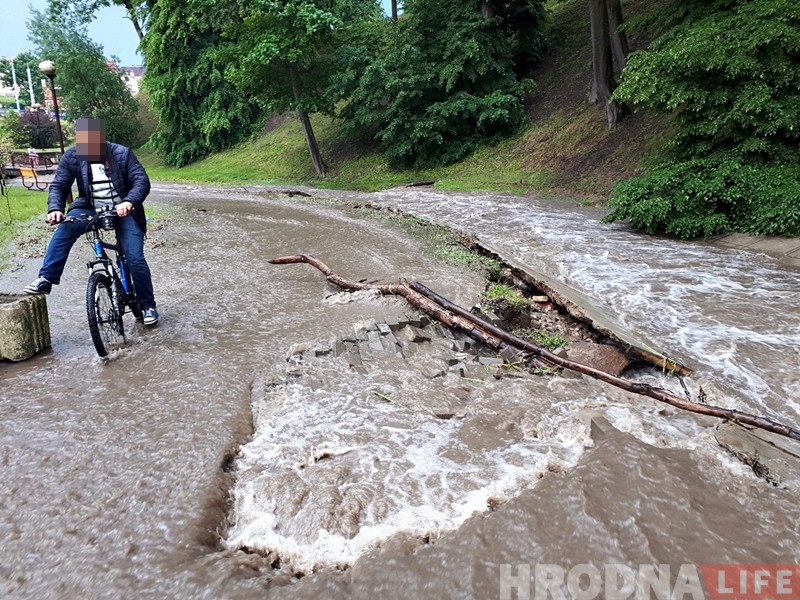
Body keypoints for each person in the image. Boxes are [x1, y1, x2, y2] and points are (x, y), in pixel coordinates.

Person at [23, 117, 159, 326]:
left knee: (135, 258)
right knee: (65, 229)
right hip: (89, 207)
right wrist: (55, 209)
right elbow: (60, 185)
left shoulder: (122, 153)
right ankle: (46, 278)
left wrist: (129, 201)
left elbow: (141, 181)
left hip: (124, 210)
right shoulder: (72, 156)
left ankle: (148, 305)